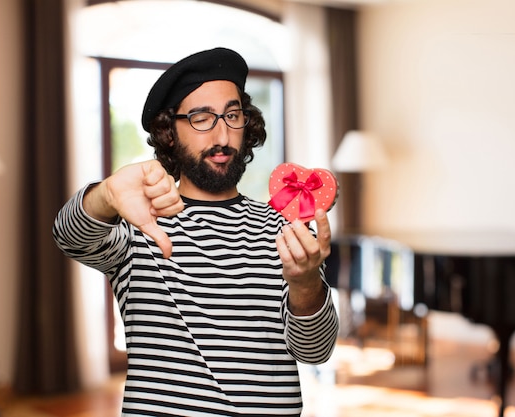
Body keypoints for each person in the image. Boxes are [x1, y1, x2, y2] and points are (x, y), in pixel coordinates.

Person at [53, 47, 339, 416]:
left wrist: (305, 284)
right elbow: (69, 236)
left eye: (232, 115)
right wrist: (106, 195)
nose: (222, 134)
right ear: (169, 131)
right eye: (202, 118)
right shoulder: (140, 223)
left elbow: (315, 350)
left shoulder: (283, 228)